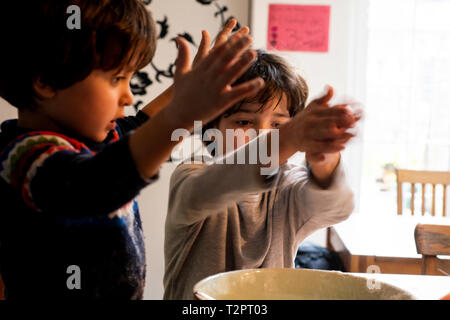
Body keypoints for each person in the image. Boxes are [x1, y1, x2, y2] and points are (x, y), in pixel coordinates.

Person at [0, 1, 262, 299]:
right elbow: (93, 185)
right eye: (116, 79)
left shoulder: (97, 137)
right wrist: (180, 115)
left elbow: (140, 125)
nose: (128, 96)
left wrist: (184, 91)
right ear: (45, 81)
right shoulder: (23, 156)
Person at [164, 50, 362, 299]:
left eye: (278, 125)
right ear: (212, 128)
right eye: (244, 123)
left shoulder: (288, 187)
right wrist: (288, 136)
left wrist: (323, 157)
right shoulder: (191, 174)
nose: (264, 135)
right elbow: (213, 186)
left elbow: (335, 208)